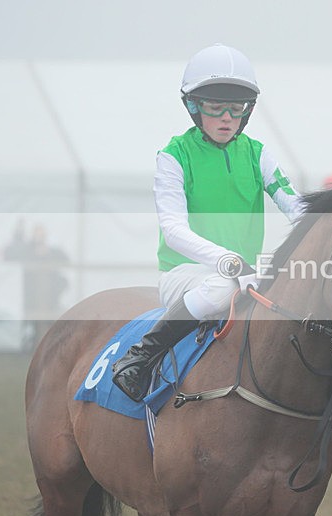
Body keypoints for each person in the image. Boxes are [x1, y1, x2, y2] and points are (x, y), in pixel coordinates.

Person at [112, 43, 302, 402]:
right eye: (216, 107)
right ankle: (140, 357)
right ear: (194, 107)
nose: (227, 118)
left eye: (236, 108)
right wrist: (224, 260)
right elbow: (174, 230)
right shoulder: (173, 156)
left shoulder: (258, 154)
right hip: (185, 275)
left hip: (245, 276)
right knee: (222, 287)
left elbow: (295, 205)